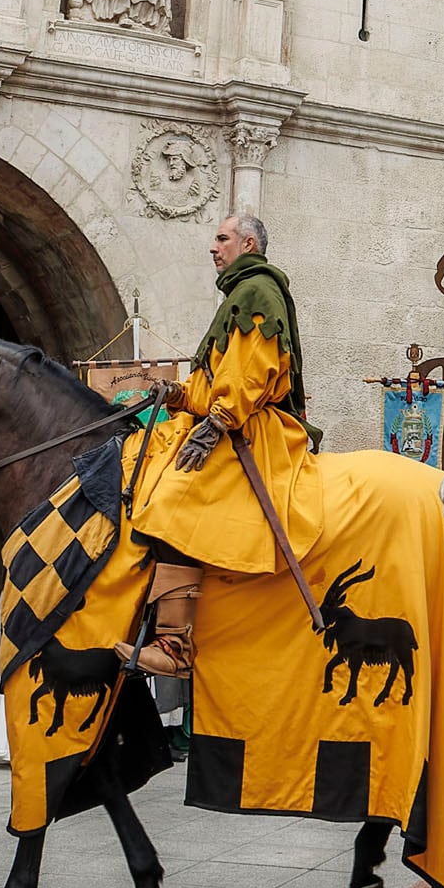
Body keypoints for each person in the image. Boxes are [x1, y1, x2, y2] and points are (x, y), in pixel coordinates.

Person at [127, 212, 311, 681]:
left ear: (248, 243)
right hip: (227, 416)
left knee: (175, 502)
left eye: (222, 238)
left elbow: (252, 371)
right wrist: (178, 393)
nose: (213, 247)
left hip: (248, 427)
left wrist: (217, 423)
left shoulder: (256, 291)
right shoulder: (240, 292)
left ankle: (173, 644)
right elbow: (214, 378)